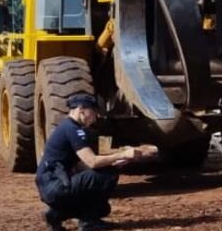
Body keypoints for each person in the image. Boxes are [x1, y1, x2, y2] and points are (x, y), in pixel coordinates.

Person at [36, 93, 151, 231]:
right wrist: (122, 154)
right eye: (93, 112)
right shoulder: (73, 129)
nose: (95, 117)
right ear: (81, 109)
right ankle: (89, 222)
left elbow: (83, 164)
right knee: (107, 175)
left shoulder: (67, 127)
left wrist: (116, 160)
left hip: (51, 186)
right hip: (55, 187)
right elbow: (92, 162)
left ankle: (55, 215)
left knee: (103, 206)